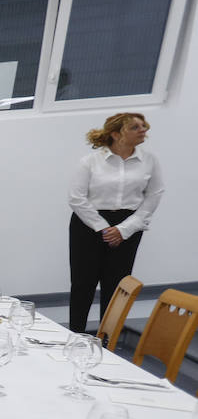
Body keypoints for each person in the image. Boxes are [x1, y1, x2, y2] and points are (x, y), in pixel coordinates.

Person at [67, 112, 164, 332]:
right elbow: (76, 197)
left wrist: (124, 229)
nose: (143, 130)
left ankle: (107, 341)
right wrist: (103, 227)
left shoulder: (149, 161)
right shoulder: (90, 161)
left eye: (143, 126)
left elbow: (154, 195)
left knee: (117, 286)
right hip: (89, 224)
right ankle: (75, 336)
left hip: (128, 225)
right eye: (135, 127)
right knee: (83, 284)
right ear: (115, 133)